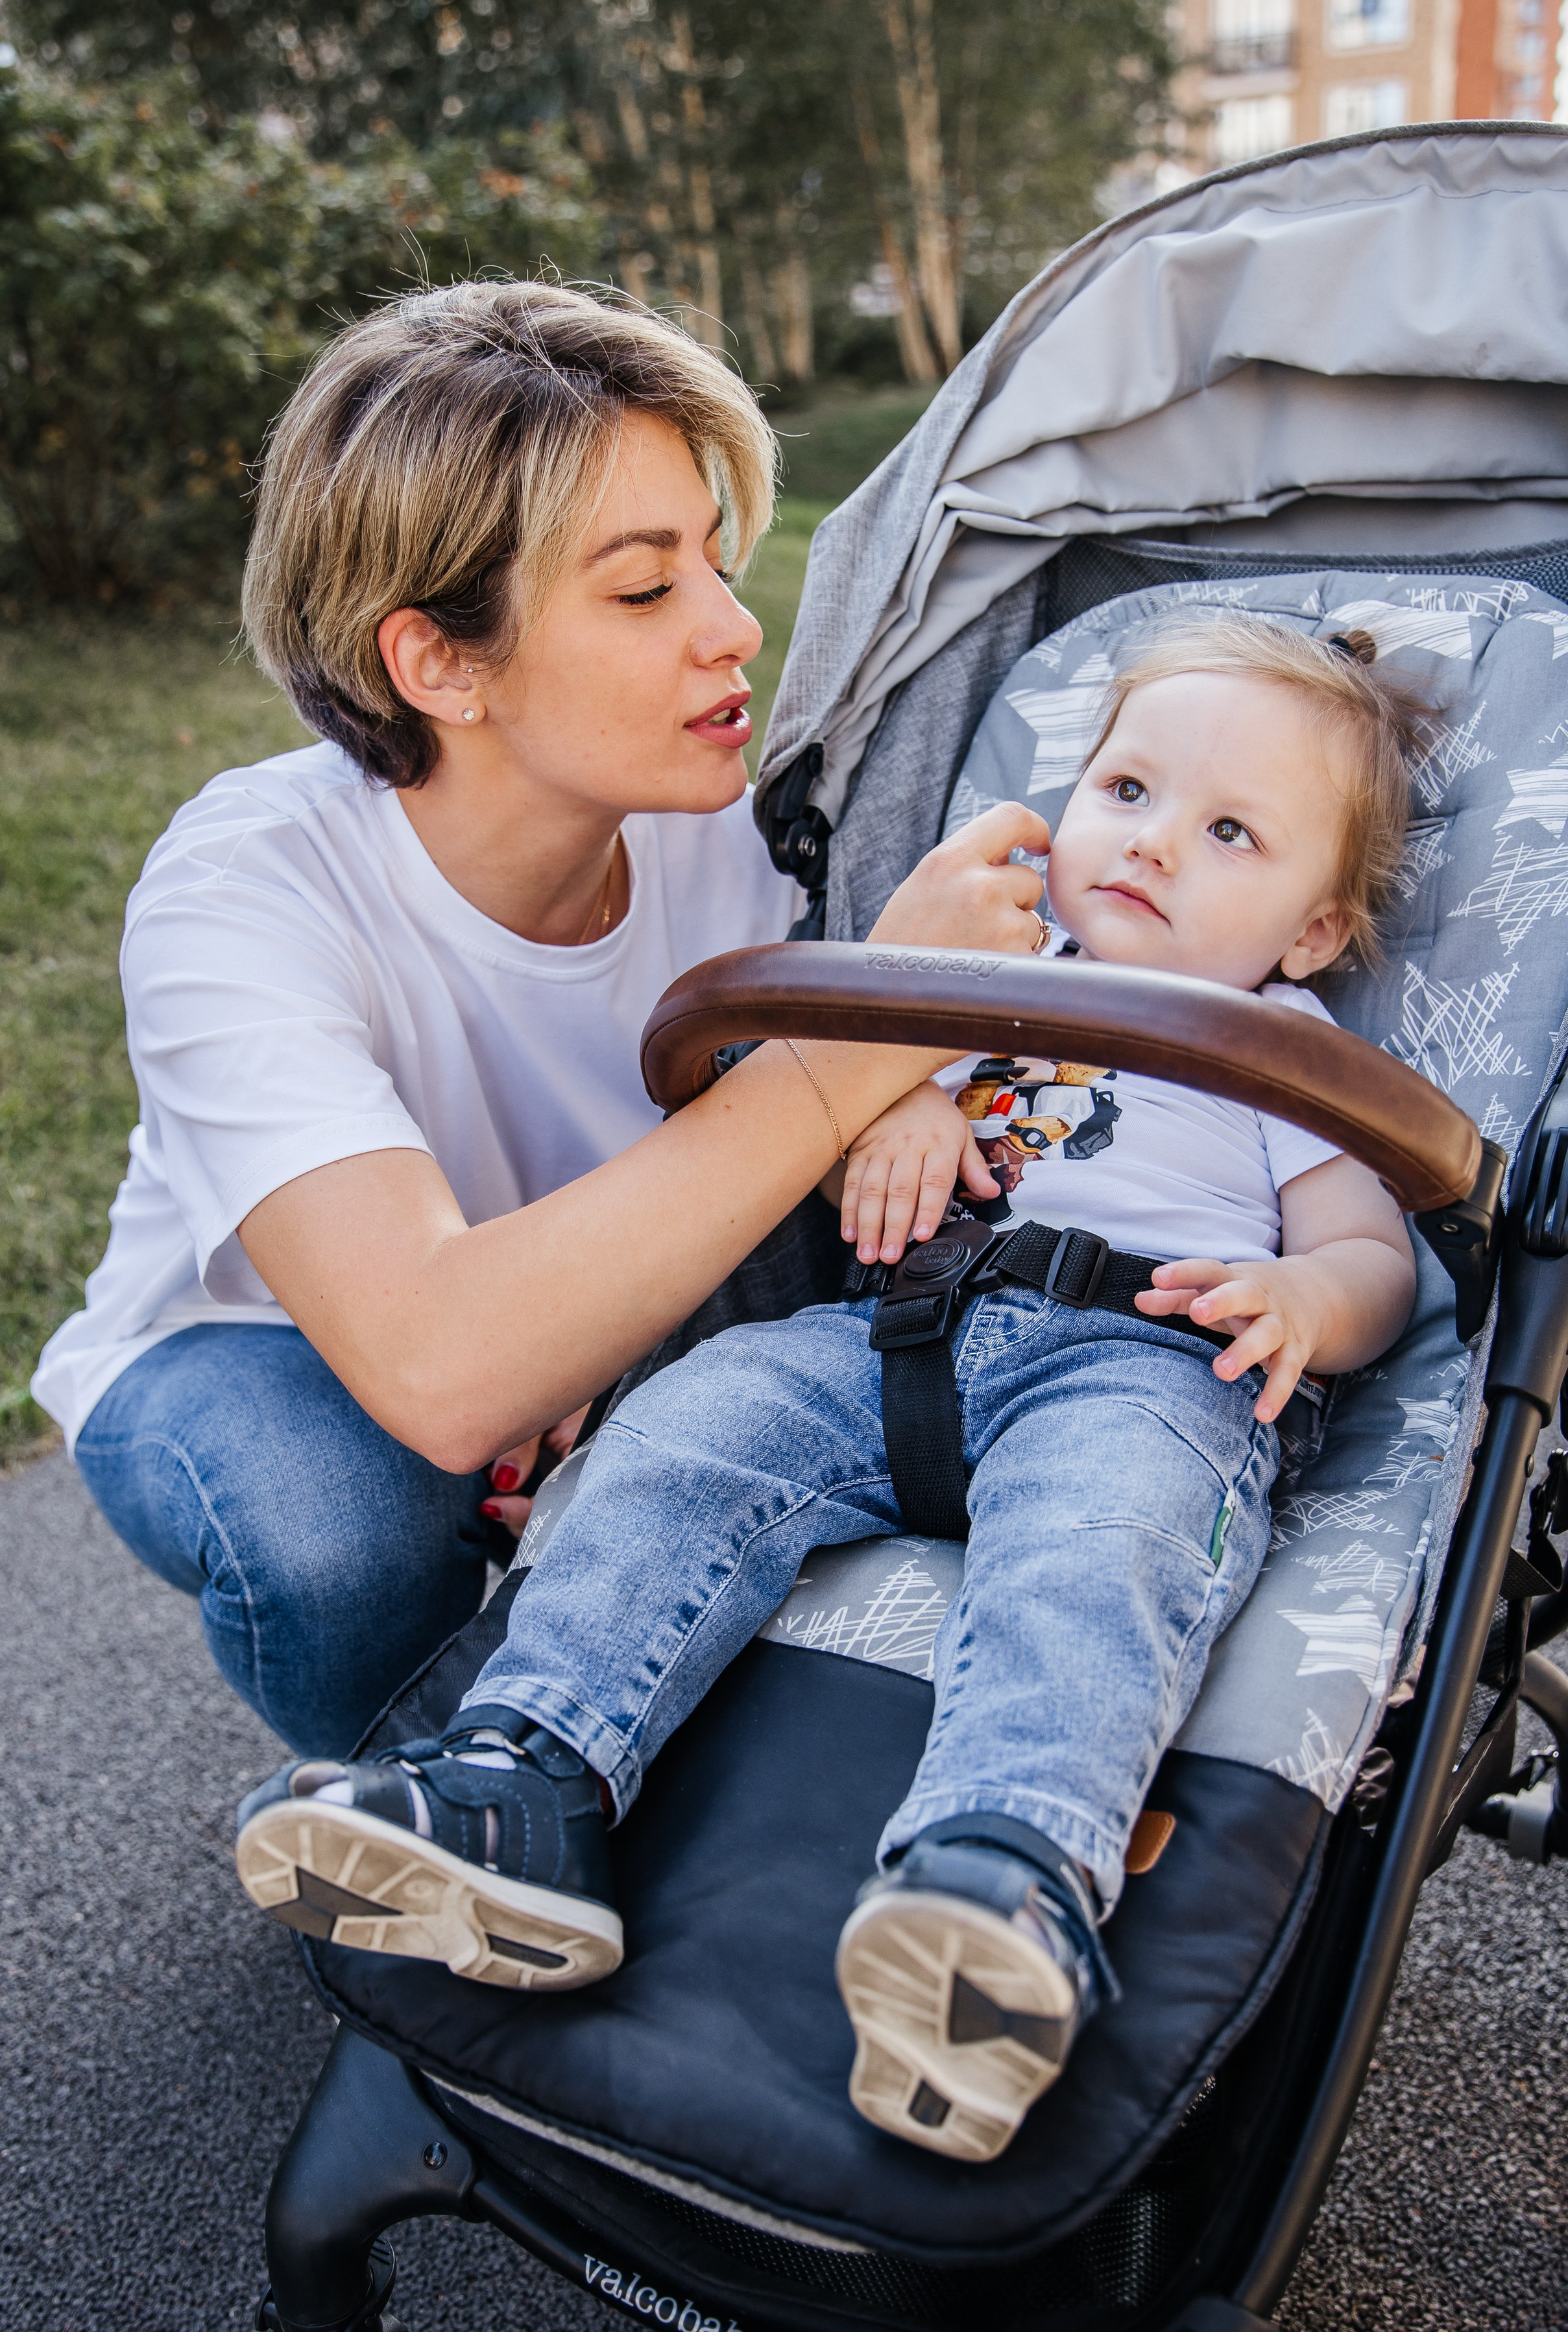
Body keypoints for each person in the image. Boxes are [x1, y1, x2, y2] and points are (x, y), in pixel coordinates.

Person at [235, 613, 1421, 2165]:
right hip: (892, 1341)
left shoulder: (1274, 1042)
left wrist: (1304, 1295)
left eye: (1226, 833)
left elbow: (1373, 1252)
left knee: (1100, 1554)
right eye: (1123, 791)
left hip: (1136, 1363)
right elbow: (848, 1098)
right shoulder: (976, 976)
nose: (1148, 846)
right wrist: (892, 1111)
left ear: (1313, 927)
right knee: (687, 1429)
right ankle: (524, 1777)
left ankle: (996, 1882)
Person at [32, 280, 1050, 1756]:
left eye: (713, 558)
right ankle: (411, 1794)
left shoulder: (752, 831)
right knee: (341, 1527)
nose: (730, 626)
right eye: (644, 589)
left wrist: (894, 1073)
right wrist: (870, 1033)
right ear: (436, 661)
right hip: (271, 1349)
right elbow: (444, 1371)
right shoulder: (242, 893)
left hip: (594, 1302)